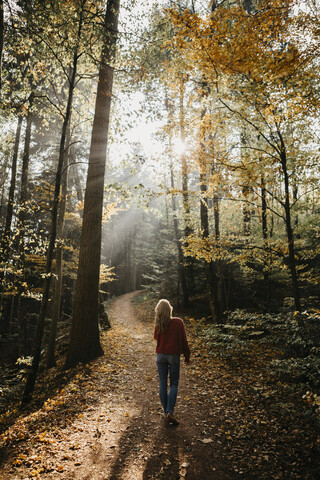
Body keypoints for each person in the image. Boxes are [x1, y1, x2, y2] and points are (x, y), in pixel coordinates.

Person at [154, 299, 190, 426]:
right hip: (173, 356)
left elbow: (156, 337)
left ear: (158, 311)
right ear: (170, 309)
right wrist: (187, 355)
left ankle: (166, 413)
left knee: (163, 382)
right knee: (174, 384)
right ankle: (170, 412)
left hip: (161, 356)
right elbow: (184, 340)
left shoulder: (159, 323)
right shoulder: (178, 322)